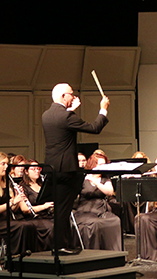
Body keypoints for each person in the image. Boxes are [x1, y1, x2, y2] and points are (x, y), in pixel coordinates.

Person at [41, 82, 109, 252]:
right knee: (63, 210)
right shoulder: (66, 117)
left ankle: (61, 245)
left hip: (53, 168)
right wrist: (103, 109)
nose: (74, 96)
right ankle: (61, 246)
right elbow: (95, 128)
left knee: (60, 209)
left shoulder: (47, 115)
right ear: (64, 96)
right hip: (66, 170)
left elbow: (62, 123)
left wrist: (70, 110)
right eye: (71, 94)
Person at [0, 152, 38, 256]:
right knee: (21, 226)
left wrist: (17, 198)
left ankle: (29, 256)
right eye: (3, 164)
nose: (6, 167)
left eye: (7, 164)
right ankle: (14, 258)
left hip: (6, 220)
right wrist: (12, 202)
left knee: (30, 225)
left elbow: (13, 209)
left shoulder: (8, 182)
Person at [72, 153, 122, 251]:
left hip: (101, 209)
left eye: (104, 164)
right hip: (85, 209)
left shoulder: (104, 178)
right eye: (100, 164)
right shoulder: (83, 177)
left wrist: (96, 182)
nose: (103, 167)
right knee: (95, 224)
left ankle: (113, 253)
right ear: (93, 165)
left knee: (115, 221)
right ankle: (94, 252)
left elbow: (110, 192)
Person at [20, 160, 54, 251]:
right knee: (52, 227)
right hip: (33, 218)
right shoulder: (23, 187)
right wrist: (44, 206)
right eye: (33, 169)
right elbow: (25, 209)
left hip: (47, 215)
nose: (37, 171)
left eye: (38, 168)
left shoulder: (43, 184)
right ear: (26, 171)